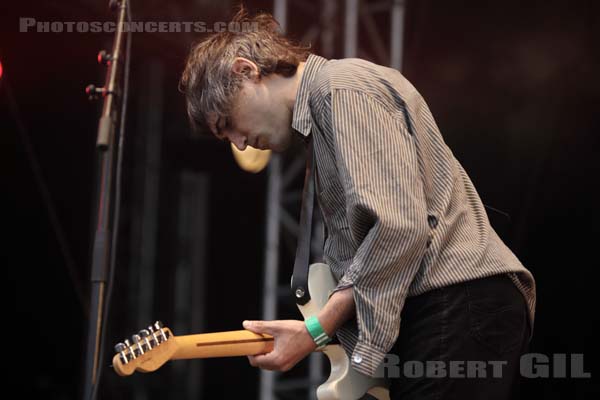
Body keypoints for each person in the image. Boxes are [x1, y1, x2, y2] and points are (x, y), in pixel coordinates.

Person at [179, 8, 536, 400]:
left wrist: (316, 329)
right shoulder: (325, 112)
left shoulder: (341, 89)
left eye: (226, 123)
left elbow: (397, 228)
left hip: (455, 301)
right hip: (445, 310)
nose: (241, 143)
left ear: (245, 71)